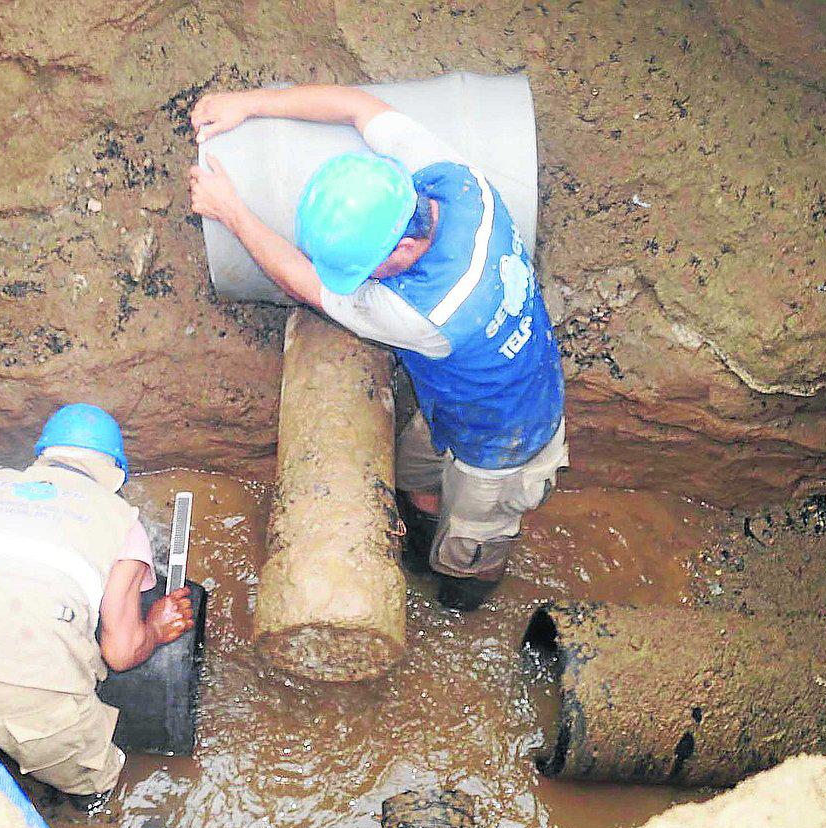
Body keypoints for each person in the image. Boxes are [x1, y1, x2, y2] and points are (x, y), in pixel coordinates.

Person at [188, 84, 567, 611]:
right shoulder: (458, 184)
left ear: (407, 247)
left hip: (507, 441)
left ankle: (461, 594)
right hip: (454, 403)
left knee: (472, 544)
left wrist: (232, 211)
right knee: (417, 480)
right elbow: (358, 107)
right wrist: (250, 104)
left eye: (367, 269)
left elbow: (305, 285)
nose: (361, 282)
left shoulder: (425, 313)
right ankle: (419, 549)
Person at [0, 403, 194, 806]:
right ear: (115, 472)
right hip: (39, 708)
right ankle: (82, 813)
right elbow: (122, 652)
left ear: (41, 454)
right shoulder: (123, 520)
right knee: (96, 781)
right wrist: (159, 627)